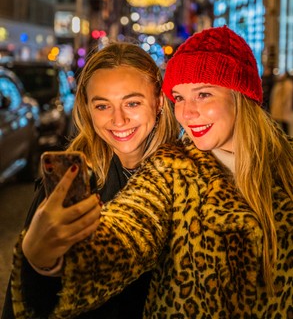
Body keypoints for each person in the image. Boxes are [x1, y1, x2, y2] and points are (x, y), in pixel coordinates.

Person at [10, 26, 293, 318]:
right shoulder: (171, 170)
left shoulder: (285, 168)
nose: (187, 112)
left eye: (204, 94)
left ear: (241, 95)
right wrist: (44, 258)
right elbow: (127, 233)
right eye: (180, 98)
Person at [2, 42, 179, 319]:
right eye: (102, 105)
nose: (118, 119)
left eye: (132, 103)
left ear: (158, 103)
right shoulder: (70, 184)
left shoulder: (188, 180)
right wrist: (37, 262)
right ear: (87, 108)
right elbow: (29, 305)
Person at [269, 71, 293, 136]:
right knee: (280, 127)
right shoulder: (280, 84)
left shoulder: (287, 85)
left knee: (284, 128)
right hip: (280, 110)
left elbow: (285, 98)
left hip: (283, 110)